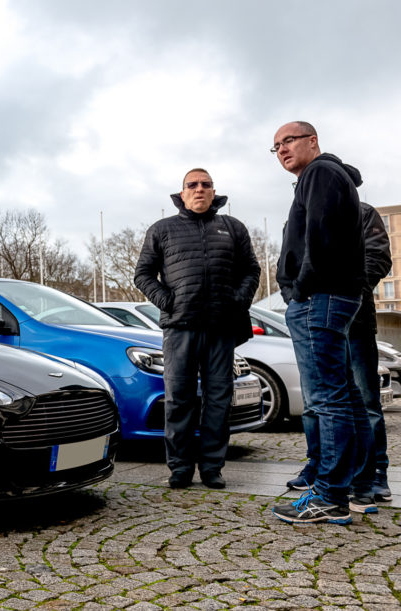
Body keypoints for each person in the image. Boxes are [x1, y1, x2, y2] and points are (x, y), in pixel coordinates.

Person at [134, 168, 260, 490]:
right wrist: (167, 300)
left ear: (214, 191)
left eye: (206, 184)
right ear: (182, 193)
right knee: (179, 399)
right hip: (180, 328)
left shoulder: (232, 227)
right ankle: (179, 468)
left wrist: (238, 300)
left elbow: (251, 269)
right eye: (193, 185)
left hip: (221, 327)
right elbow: (143, 274)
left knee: (219, 400)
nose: (199, 189)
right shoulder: (162, 229)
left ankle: (212, 468)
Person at [269, 121, 367, 525]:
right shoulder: (328, 175)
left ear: (312, 141)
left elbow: (320, 237)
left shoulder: (320, 172)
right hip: (333, 296)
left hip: (319, 297)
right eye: (275, 146)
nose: (281, 149)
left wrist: (300, 289)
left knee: (327, 399)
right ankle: (356, 485)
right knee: (344, 395)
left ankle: (330, 495)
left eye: (288, 140)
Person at [287, 202, 393, 506]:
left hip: (352, 322)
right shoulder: (300, 214)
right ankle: (320, 466)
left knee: (365, 401)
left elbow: (377, 258)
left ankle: (374, 473)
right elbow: (290, 262)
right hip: (312, 322)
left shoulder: (362, 212)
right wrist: (293, 294)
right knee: (313, 403)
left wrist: (340, 292)